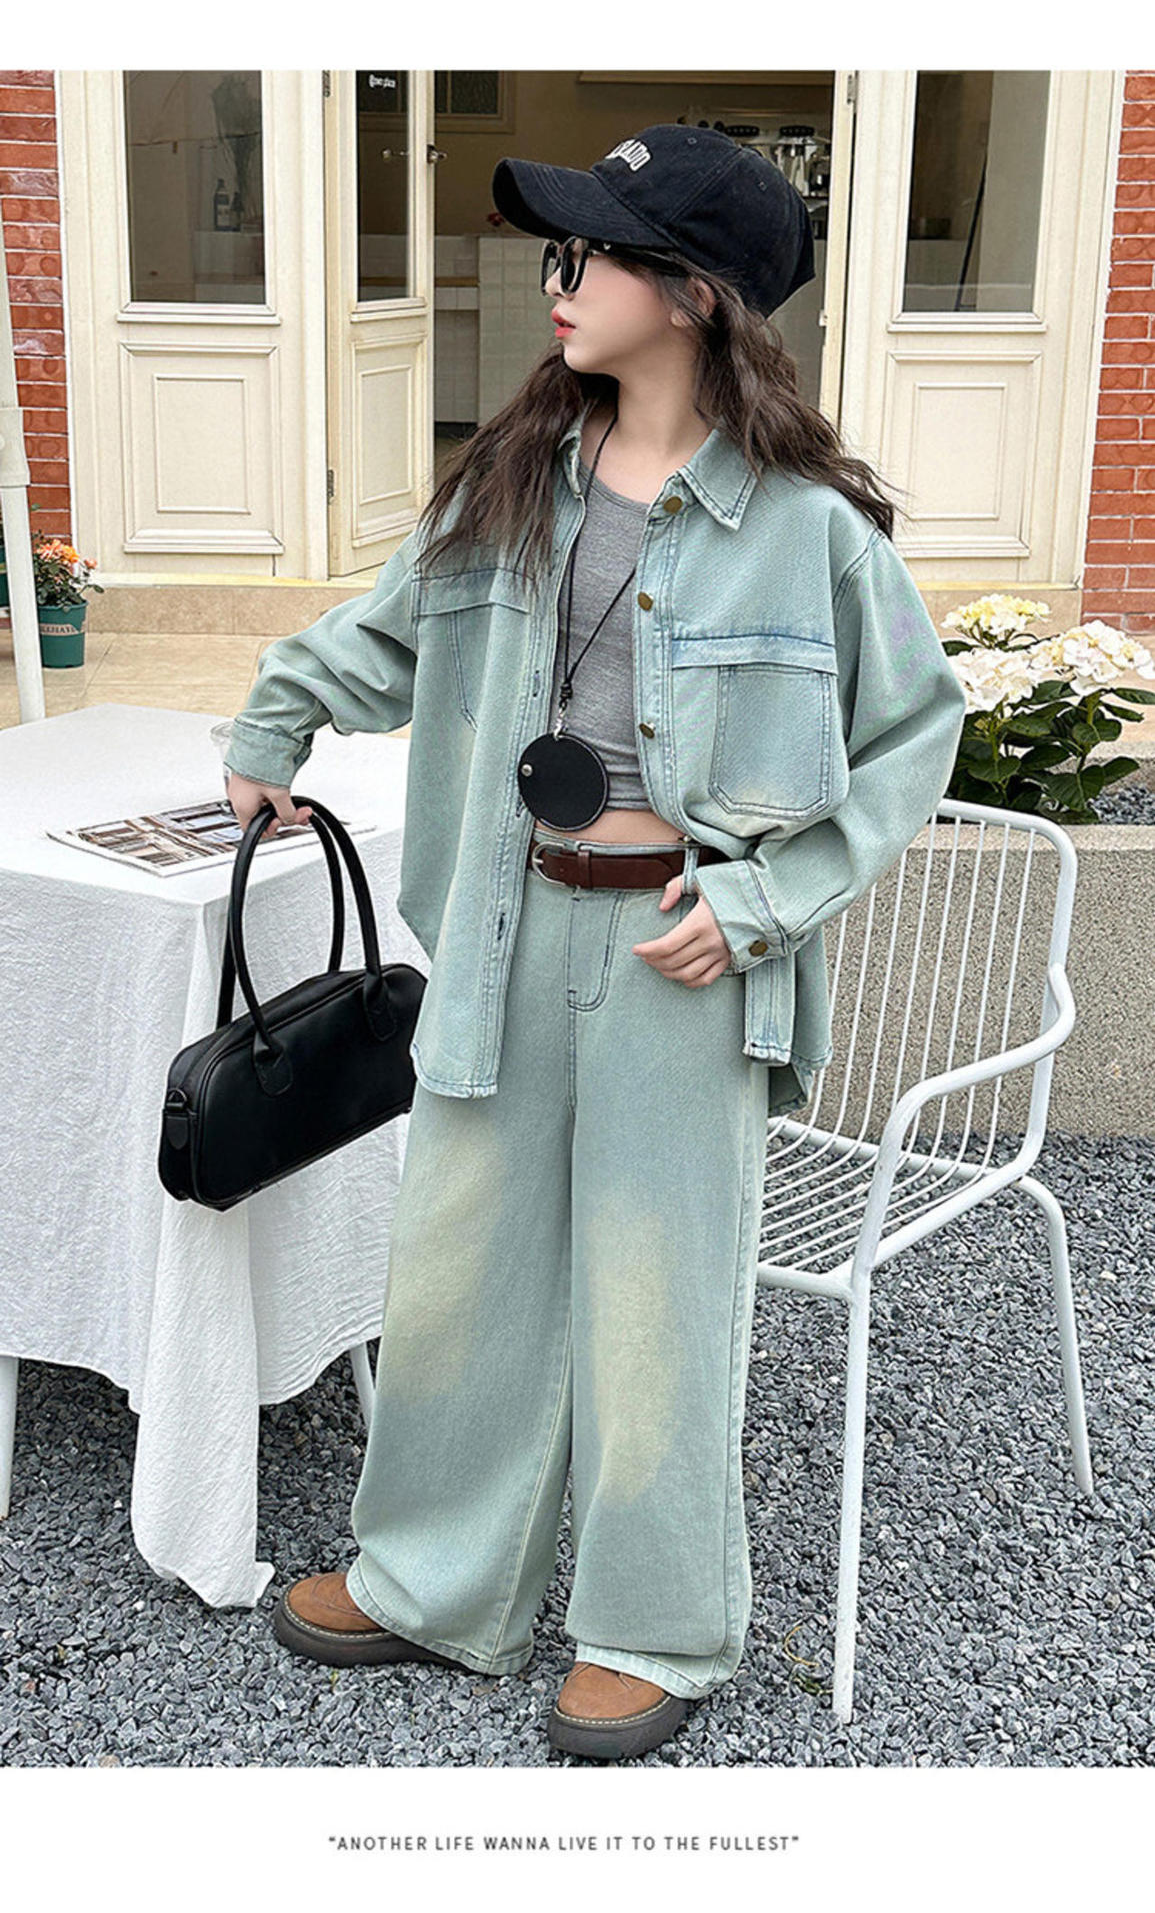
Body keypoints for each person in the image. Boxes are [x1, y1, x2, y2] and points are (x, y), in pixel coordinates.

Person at [223, 123, 968, 1762]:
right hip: (504, 937)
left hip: (680, 963)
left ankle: (654, 1627)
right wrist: (275, 720)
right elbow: (383, 632)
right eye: (561, 251)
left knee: (656, 1305)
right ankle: (433, 1581)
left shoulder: (810, 530)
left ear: (693, 295)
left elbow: (916, 736)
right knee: (458, 1274)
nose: (558, 282)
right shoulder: (513, 483)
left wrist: (761, 904)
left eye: (595, 254)